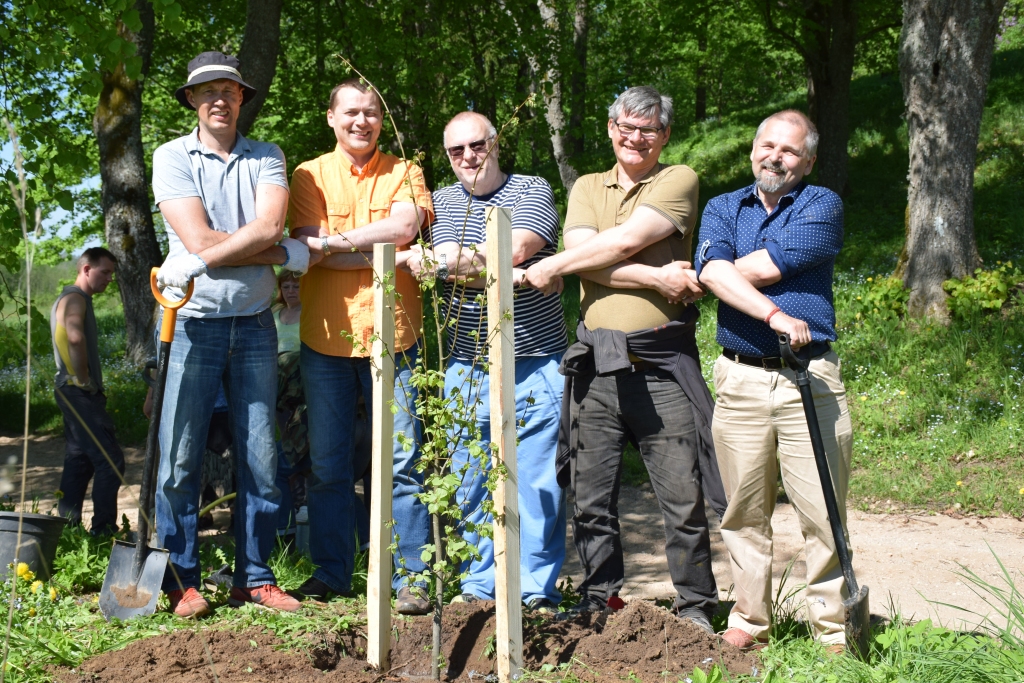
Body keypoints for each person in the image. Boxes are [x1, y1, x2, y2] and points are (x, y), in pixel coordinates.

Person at [523, 86, 726, 632]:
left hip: (662, 367)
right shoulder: (588, 186)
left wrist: (558, 264)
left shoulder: (678, 178)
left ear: (665, 135)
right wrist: (657, 276)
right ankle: (599, 602)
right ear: (612, 129)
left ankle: (695, 608)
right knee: (591, 498)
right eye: (627, 127)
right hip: (596, 367)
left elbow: (617, 245)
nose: (637, 138)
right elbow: (586, 256)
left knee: (682, 498)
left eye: (649, 129)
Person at [151, 50, 317, 618]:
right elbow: (200, 238)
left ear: (242, 97)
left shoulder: (267, 155)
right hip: (190, 323)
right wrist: (276, 253)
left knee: (262, 459)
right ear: (192, 101)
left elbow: (269, 224)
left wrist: (243, 247)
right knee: (179, 459)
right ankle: (180, 580)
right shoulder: (171, 156)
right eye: (207, 91)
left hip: (254, 326)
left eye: (229, 90)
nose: (219, 99)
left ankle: (255, 577)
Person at [694, 110, 851, 651]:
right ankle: (749, 620)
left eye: (789, 151)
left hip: (809, 377)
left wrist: (715, 275)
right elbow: (715, 272)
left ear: (807, 161)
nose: (775, 157)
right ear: (753, 149)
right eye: (768, 146)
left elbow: (755, 268)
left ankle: (833, 627)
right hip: (739, 379)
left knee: (822, 509)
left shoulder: (821, 204)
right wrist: (774, 314)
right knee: (743, 511)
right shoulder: (722, 207)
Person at [408, 111, 568, 610]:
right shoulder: (440, 202)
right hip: (467, 363)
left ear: (495, 143)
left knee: (538, 484)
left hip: (536, 359)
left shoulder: (531, 190)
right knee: (472, 478)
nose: (468, 157)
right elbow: (456, 265)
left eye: (477, 145)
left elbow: (514, 249)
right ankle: (480, 587)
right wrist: (503, 271)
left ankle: (533, 590)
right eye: (456, 150)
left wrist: (452, 264)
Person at [289, 77, 434, 612]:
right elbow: (307, 248)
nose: (362, 121)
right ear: (331, 117)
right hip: (326, 339)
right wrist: (379, 249)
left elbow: (403, 229)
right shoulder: (309, 174)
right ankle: (332, 572)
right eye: (351, 111)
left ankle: (410, 577)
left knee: (402, 461)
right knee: (328, 465)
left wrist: (331, 245)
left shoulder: (406, 170)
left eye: (371, 112)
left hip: (395, 338)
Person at [50, 247, 125, 536]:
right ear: (86, 269)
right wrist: (83, 379)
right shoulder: (75, 298)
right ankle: (103, 532)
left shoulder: (75, 298)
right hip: (77, 393)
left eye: (111, 274)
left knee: (79, 460)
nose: (109, 279)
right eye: (104, 272)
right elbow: (74, 337)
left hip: (71, 391)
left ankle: (65, 530)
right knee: (110, 461)